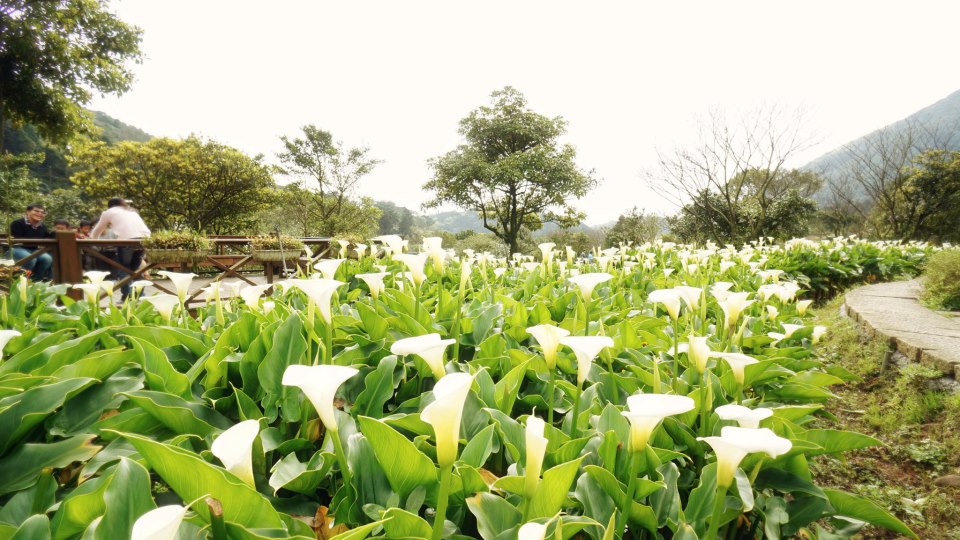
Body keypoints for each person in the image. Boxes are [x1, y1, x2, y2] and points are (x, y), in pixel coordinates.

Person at [91, 197, 151, 301]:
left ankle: (127, 298)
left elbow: (97, 230)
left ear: (110, 205)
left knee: (123, 269)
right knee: (135, 269)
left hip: (126, 241)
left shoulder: (108, 212)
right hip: (144, 240)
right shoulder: (132, 212)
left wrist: (93, 242)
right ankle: (139, 296)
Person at [8, 203, 54, 281]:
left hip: (33, 250)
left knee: (47, 258)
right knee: (30, 258)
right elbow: (15, 240)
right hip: (17, 248)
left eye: (42, 212)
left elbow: (47, 238)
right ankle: (19, 281)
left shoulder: (42, 226)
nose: (40, 214)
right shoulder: (17, 223)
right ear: (28, 212)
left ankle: (35, 281)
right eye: (36, 211)